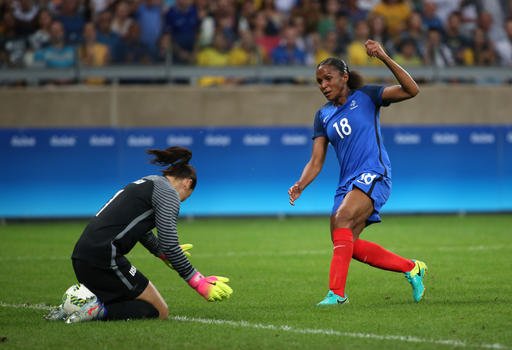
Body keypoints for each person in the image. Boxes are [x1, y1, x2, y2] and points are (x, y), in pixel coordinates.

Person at [288, 40, 427, 306]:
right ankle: (411, 267)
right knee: (345, 242)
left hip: (374, 173)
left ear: (344, 77)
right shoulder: (323, 115)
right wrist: (301, 184)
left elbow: (412, 90)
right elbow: (316, 161)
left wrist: (384, 57)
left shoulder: (366, 96)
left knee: (343, 219)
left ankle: (337, 294)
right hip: (347, 183)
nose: (323, 85)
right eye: (319, 81)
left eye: (328, 78)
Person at [45, 146, 233, 322]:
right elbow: (170, 244)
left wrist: (161, 252)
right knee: (159, 311)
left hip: (83, 255)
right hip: (104, 258)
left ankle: (74, 305)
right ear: (187, 182)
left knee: (130, 303)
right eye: (187, 197)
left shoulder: (149, 181)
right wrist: (198, 282)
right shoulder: (168, 194)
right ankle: (90, 308)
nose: (182, 201)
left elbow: (141, 231)